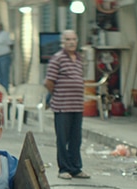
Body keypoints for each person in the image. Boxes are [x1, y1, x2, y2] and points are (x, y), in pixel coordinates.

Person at [44, 29, 91, 180]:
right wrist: (58, 95)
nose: (71, 42)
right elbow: (49, 82)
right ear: (62, 42)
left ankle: (76, 168)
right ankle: (64, 169)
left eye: (73, 39)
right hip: (62, 106)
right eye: (68, 39)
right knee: (63, 139)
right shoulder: (57, 58)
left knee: (76, 139)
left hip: (77, 106)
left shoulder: (79, 58)